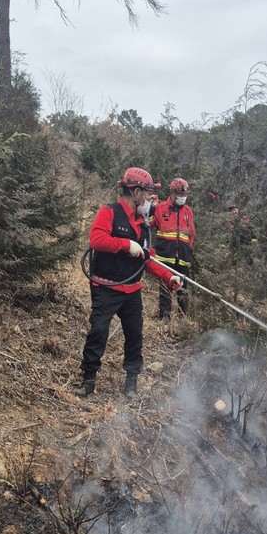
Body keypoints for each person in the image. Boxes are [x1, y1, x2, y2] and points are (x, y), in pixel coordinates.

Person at [74, 167, 182, 400]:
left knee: (134, 336)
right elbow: (97, 240)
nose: (152, 201)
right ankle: (88, 379)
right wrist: (125, 245)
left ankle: (131, 381)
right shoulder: (109, 212)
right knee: (98, 332)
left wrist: (168, 277)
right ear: (136, 192)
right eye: (149, 194)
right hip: (106, 287)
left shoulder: (143, 224)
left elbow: (148, 258)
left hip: (132, 290)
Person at [152, 177, 196, 319]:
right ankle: (164, 317)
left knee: (183, 289)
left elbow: (192, 233)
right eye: (180, 194)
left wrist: (188, 249)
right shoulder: (161, 208)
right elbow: (149, 223)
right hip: (165, 257)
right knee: (165, 288)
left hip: (183, 257)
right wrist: (150, 208)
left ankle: (183, 317)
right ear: (172, 193)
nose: (183, 197)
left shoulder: (188, 211)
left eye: (185, 194)